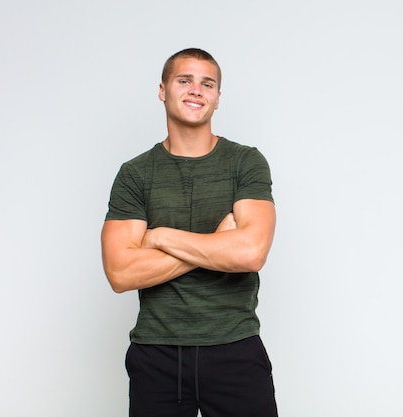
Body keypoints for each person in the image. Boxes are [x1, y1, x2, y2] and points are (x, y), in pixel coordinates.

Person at [101, 48, 278, 417]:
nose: (196, 90)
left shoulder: (245, 163)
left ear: (217, 98)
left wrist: (161, 235)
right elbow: (120, 273)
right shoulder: (135, 174)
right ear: (163, 90)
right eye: (185, 80)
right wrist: (217, 244)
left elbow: (250, 254)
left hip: (236, 348)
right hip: (156, 353)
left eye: (207, 83)